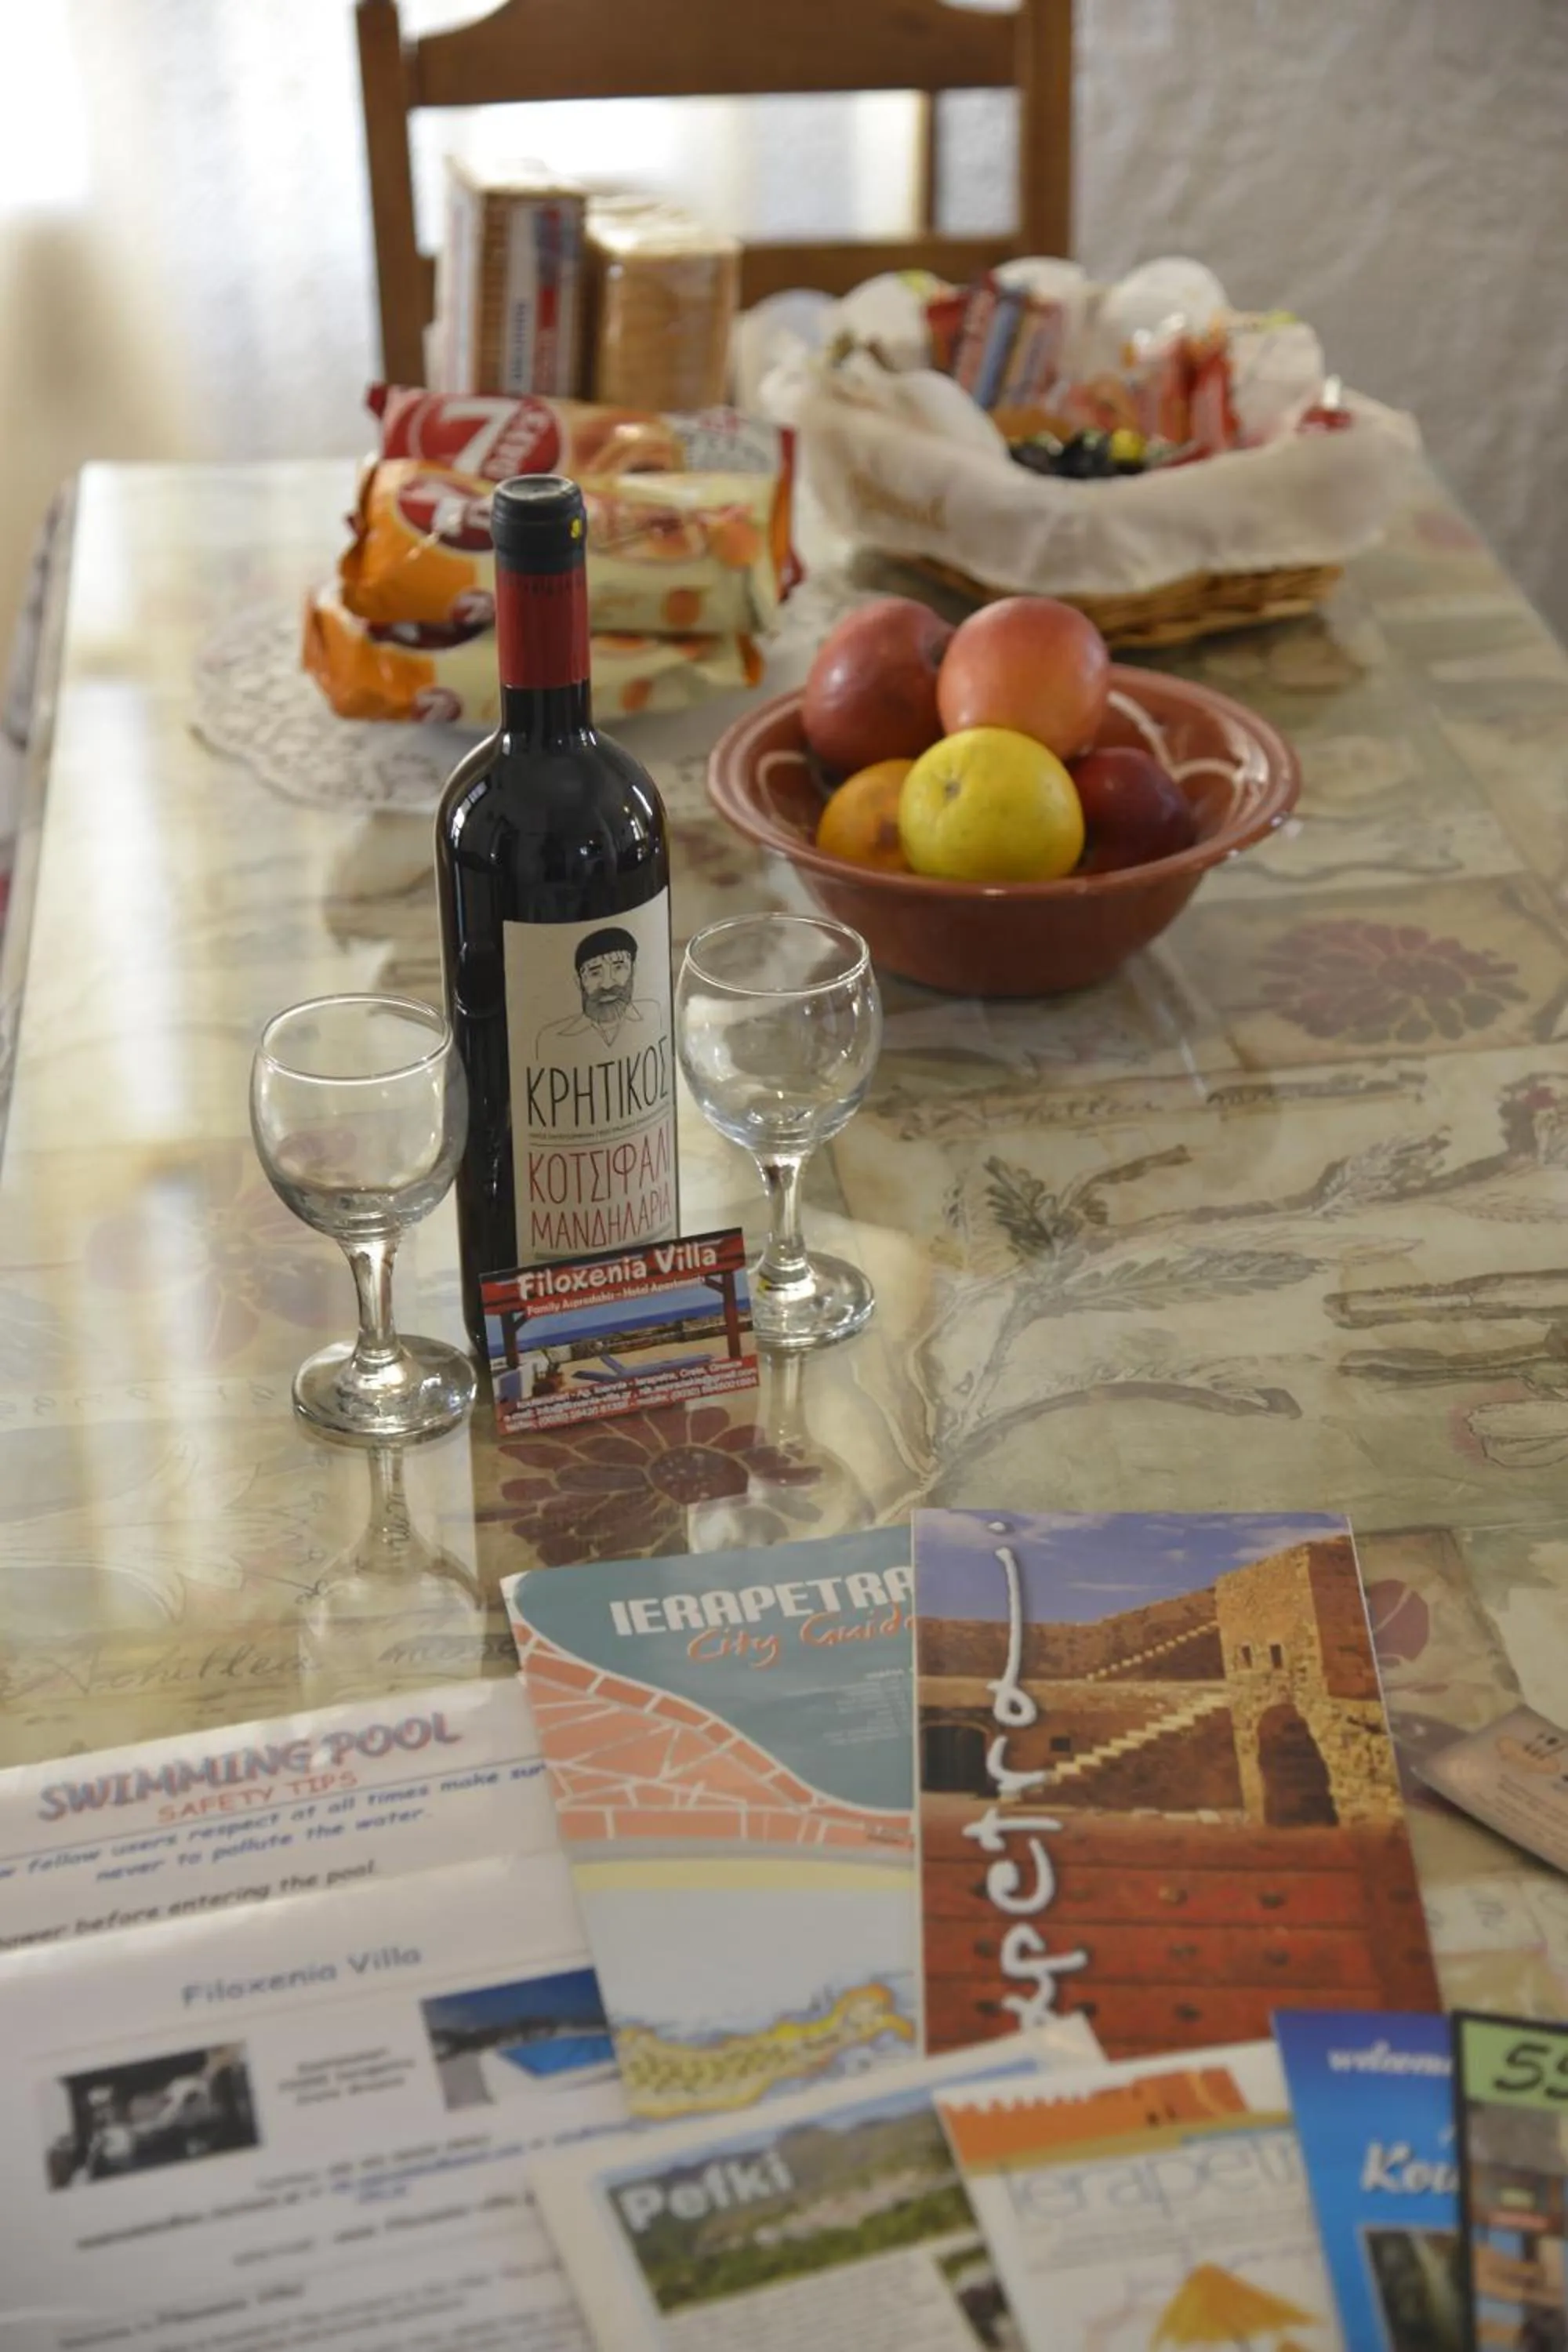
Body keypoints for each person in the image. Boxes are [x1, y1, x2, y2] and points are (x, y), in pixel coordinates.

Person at [535, 927, 660, 1057]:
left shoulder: (656, 1013)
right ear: (579, 982)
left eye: (618, 968)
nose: (607, 985)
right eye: (595, 973)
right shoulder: (551, 1039)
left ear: (633, 970)